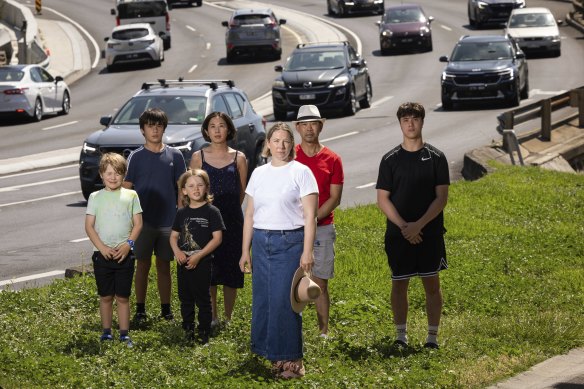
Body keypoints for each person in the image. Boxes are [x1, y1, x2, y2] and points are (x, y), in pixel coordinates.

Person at [239, 122, 318, 379]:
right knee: (263, 300)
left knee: (286, 301)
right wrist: (245, 251)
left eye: (286, 141)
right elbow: (249, 215)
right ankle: (270, 353)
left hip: (290, 242)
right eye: (276, 141)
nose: (280, 146)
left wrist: (307, 251)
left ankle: (293, 360)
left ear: (291, 145)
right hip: (261, 242)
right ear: (268, 144)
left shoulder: (301, 172)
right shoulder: (258, 174)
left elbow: (310, 216)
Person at [376, 102, 450, 349]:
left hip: (429, 233)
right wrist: (404, 227)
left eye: (415, 119)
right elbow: (382, 199)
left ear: (422, 122)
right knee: (399, 284)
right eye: (405, 119)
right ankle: (401, 337)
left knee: (432, 284)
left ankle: (432, 338)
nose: (410, 123)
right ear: (399, 124)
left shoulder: (437, 157)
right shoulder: (389, 159)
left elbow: (441, 198)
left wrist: (418, 225)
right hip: (399, 235)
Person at [123, 108, 187, 323]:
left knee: (164, 266)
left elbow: (181, 189)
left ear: (164, 129)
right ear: (143, 130)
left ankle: (166, 309)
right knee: (141, 264)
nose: (155, 129)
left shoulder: (175, 156)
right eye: (150, 126)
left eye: (159, 126)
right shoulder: (135, 157)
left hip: (168, 222)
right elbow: (127, 188)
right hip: (142, 223)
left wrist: (180, 217)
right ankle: (140, 309)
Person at [189, 112, 248, 328]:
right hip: (205, 220)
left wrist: (229, 209)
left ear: (229, 129)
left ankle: (228, 318)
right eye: (212, 126)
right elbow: (191, 188)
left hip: (233, 219)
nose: (216, 130)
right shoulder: (198, 157)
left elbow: (241, 191)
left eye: (221, 125)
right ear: (206, 131)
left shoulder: (239, 158)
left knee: (232, 268)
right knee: (210, 269)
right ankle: (212, 316)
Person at [293, 105, 344, 337]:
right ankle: (294, 330)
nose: (309, 128)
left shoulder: (333, 159)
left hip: (322, 228)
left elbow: (334, 198)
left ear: (321, 126)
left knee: (320, 283)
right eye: (304, 124)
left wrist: (312, 219)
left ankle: (323, 332)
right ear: (298, 128)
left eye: (313, 123)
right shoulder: (290, 156)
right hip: (293, 229)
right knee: (293, 282)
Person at [85, 153, 143, 346]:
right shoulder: (95, 197)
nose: (113, 177)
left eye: (118, 173)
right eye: (109, 173)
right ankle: (106, 332)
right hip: (102, 256)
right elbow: (89, 226)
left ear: (124, 175)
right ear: (101, 174)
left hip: (124, 255)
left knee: (123, 296)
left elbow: (138, 225)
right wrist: (101, 248)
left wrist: (128, 245)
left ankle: (124, 333)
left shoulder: (131, 195)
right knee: (106, 296)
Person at [170, 169, 225, 344]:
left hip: (202, 262)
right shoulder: (181, 213)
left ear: (206, 188)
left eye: (200, 185)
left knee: (203, 299)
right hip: (183, 262)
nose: (196, 189)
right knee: (185, 298)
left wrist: (199, 256)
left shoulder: (212, 211)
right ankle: (188, 332)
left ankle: (204, 334)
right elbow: (173, 236)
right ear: (184, 190)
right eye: (191, 186)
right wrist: (177, 252)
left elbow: (217, 238)